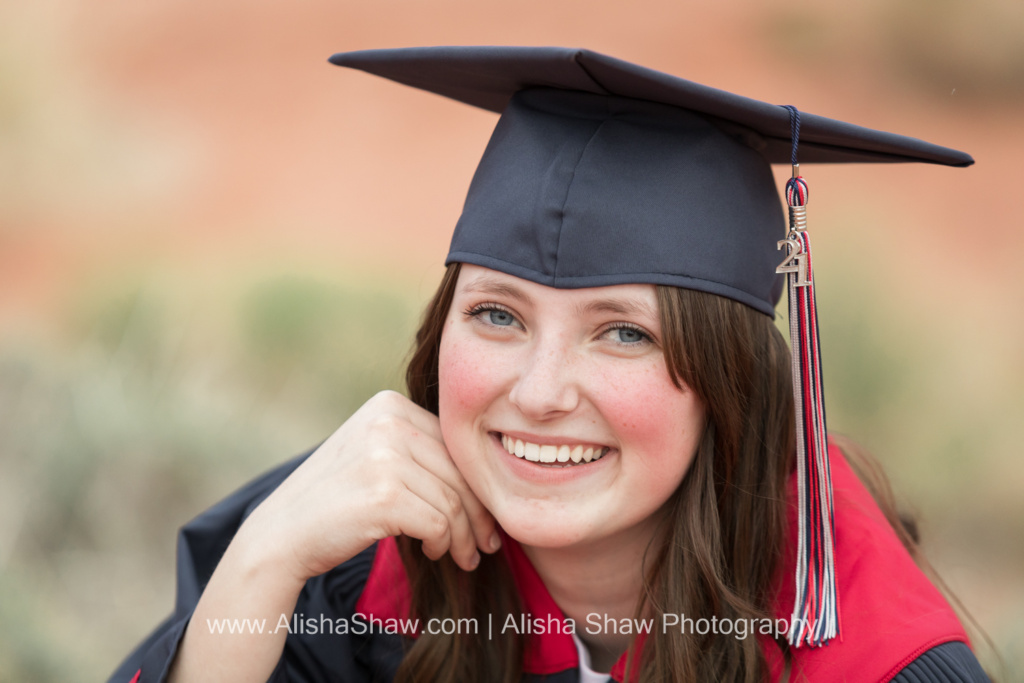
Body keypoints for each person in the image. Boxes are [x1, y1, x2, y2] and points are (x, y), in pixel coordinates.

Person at [108, 47, 989, 683]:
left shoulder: (868, 650)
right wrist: (265, 555)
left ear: (731, 386)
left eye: (624, 333)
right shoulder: (361, 564)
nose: (536, 392)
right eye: (497, 314)